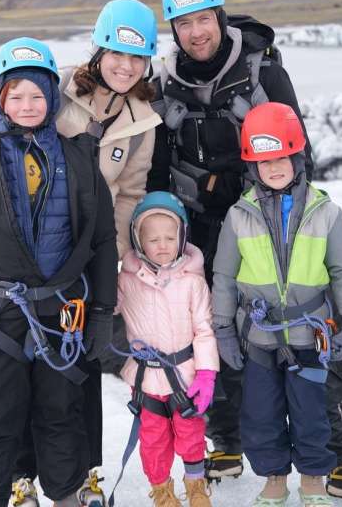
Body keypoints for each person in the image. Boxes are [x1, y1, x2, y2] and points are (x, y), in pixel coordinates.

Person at [146, 0, 342, 503]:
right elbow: (156, 156)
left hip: (268, 216)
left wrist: (288, 214)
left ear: (219, 16)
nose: (195, 32)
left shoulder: (261, 70)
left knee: (308, 321)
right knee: (217, 327)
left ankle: (339, 454)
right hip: (198, 226)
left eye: (203, 19)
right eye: (183, 24)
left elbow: (294, 144)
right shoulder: (164, 81)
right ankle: (227, 436)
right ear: (174, 30)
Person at [0, 0, 162, 506]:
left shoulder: (143, 119)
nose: (125, 66)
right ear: (98, 51)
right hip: (14, 277)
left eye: (136, 57)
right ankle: (16, 481)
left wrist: (106, 287)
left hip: (72, 273)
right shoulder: (52, 84)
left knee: (64, 404)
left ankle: (72, 484)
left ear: (147, 63)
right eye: (116, 53)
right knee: (2, 407)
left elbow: (128, 194)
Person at [211, 102, 342, 507]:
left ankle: (313, 479)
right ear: (251, 167)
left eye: (281, 158)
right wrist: (223, 328)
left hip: (310, 335)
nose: (273, 167)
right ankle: (274, 478)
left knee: (311, 413)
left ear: (297, 157)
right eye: (263, 161)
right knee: (260, 414)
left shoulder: (326, 213)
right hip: (258, 337)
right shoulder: (238, 215)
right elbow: (224, 276)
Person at [111, 192, 218, 507]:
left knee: (191, 434)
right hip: (146, 378)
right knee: (153, 440)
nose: (162, 244)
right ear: (138, 240)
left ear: (182, 237)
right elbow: (107, 306)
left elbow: (204, 329)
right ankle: (162, 491)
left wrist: (208, 372)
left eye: (169, 237)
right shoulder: (126, 280)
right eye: (153, 238)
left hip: (185, 375)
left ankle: (196, 486)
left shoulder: (193, 282)